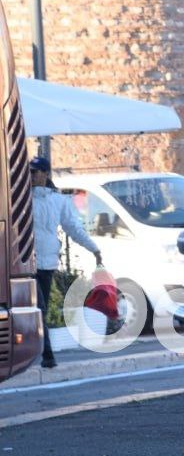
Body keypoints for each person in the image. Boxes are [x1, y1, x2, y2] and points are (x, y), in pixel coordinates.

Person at [31, 157, 108, 367]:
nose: (32, 175)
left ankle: (44, 355)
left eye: (36, 171)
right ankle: (47, 355)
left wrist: (94, 249)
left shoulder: (58, 201)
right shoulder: (22, 198)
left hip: (46, 264)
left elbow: (74, 228)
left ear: (46, 174)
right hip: (25, 263)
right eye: (30, 171)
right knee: (38, 307)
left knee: (40, 309)